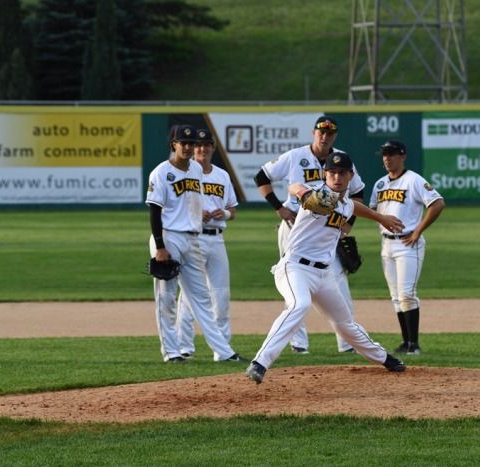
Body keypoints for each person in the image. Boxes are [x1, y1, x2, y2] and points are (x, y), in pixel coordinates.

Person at [246, 151, 408, 384]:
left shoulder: (345, 203)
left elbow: (353, 207)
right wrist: (300, 192)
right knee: (298, 305)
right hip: (295, 268)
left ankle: (384, 358)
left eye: (342, 172)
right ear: (325, 174)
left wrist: (381, 218)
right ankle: (260, 362)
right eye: (332, 172)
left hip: (324, 274)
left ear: (351, 176)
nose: (337, 176)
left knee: (345, 324)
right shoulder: (318, 194)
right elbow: (295, 187)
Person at [253, 116, 364, 354]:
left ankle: (347, 344)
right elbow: (262, 177)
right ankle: (298, 344)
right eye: (321, 132)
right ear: (314, 133)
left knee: (338, 280)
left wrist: (349, 223)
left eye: (330, 133)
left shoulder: (342, 160)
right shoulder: (295, 156)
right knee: (294, 283)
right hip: (295, 223)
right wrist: (278, 207)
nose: (324, 137)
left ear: (335, 136)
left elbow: (358, 191)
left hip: (330, 226)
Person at [145, 124, 240, 363]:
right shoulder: (161, 172)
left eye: (191, 143)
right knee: (166, 297)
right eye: (183, 143)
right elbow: (155, 212)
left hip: (192, 238)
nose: (188, 147)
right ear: (173, 145)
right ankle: (172, 351)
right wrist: (160, 246)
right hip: (168, 237)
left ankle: (224, 351)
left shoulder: (196, 169)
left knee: (202, 298)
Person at [369, 140, 446, 356]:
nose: (387, 158)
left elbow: (438, 203)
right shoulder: (380, 184)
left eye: (392, 154)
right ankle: (406, 342)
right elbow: (375, 211)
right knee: (396, 296)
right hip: (386, 244)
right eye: (384, 154)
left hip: (407, 244)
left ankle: (415, 344)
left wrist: (418, 231)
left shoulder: (414, 180)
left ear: (402, 156)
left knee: (407, 294)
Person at [176, 128, 241, 361]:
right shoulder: (184, 172)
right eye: (198, 145)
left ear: (213, 148)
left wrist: (222, 213)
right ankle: (184, 347)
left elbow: (233, 210)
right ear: (193, 149)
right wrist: (194, 213)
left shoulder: (222, 175)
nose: (202, 149)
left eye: (206, 145)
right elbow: (173, 206)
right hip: (193, 237)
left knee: (221, 294)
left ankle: (222, 350)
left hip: (217, 239)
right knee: (189, 294)